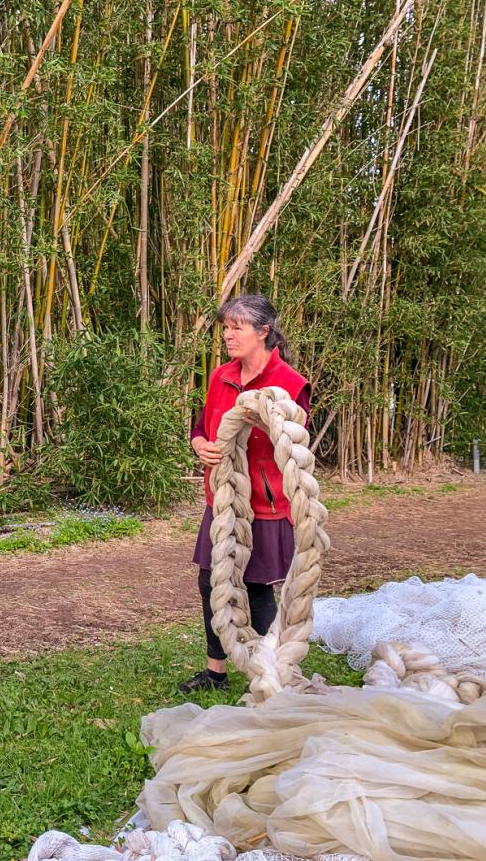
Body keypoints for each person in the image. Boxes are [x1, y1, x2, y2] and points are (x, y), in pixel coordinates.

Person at [179, 294, 311, 694]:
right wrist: (199, 444)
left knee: (255, 586)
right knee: (212, 580)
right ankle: (215, 670)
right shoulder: (220, 376)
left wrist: (267, 424)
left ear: (263, 332)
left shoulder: (290, 384)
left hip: (265, 502)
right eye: (225, 327)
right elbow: (200, 427)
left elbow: (299, 442)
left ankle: (272, 670)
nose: (227, 335)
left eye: (236, 328)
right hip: (221, 498)